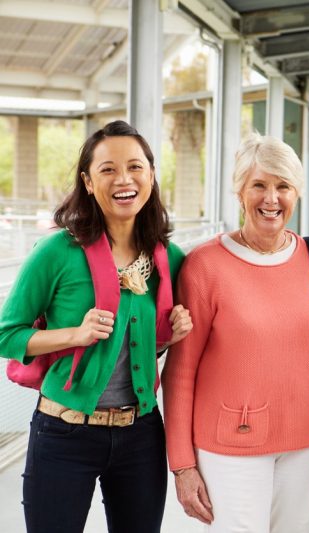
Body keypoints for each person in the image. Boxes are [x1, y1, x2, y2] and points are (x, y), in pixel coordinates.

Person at [0, 120, 192, 533]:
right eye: (108, 169)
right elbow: (6, 333)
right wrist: (76, 334)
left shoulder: (168, 258)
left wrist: (169, 336)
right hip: (63, 433)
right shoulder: (56, 251)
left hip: (141, 434)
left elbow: (144, 348)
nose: (124, 179)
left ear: (151, 174)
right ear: (88, 182)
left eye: (135, 167)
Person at [162, 134, 309, 533]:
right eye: (259, 185)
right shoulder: (204, 266)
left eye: (283, 186)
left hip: (307, 440)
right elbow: (180, 372)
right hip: (230, 445)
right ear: (239, 191)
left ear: (296, 192)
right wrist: (181, 464)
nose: (271, 198)